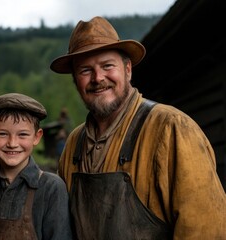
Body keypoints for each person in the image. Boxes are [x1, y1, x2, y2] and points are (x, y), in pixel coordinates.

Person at [49, 16, 226, 239]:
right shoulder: (74, 143)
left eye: (107, 66)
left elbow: (206, 230)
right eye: (85, 70)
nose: (98, 78)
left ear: (128, 70)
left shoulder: (171, 128)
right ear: (76, 81)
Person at [0, 93, 73, 239]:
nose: (12, 143)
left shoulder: (51, 188)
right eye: (3, 134)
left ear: (37, 137)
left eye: (22, 135)